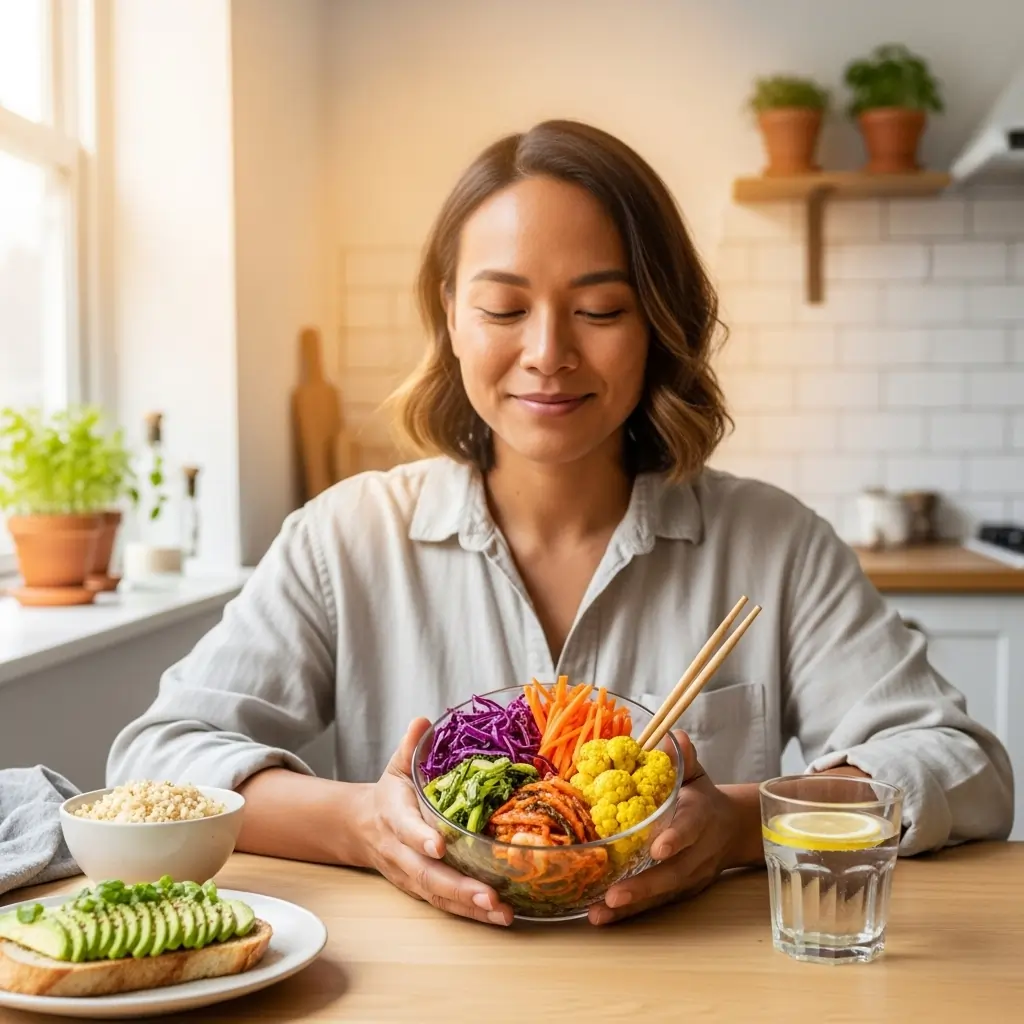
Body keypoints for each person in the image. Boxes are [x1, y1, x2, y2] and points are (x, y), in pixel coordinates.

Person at [107, 119, 1014, 928]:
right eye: (503, 308)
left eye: (601, 310)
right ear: (451, 321)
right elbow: (157, 757)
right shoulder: (343, 538)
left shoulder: (773, 544)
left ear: (659, 324)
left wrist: (736, 822)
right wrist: (362, 825)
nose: (548, 354)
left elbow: (964, 770)